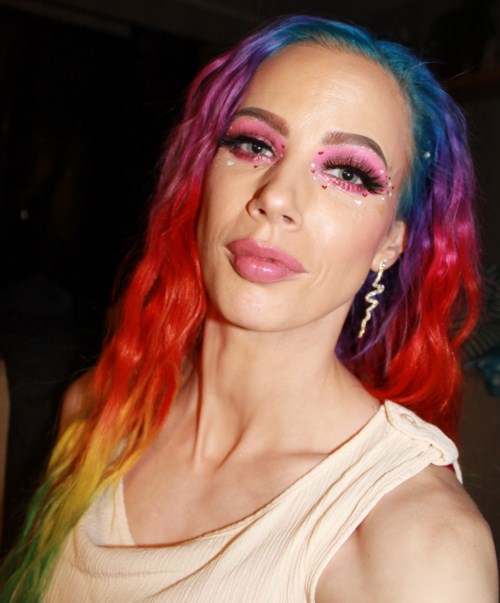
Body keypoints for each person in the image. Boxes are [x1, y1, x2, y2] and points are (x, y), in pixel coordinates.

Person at [1, 15, 498, 602]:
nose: (276, 197)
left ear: (390, 243)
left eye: (347, 173)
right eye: (253, 145)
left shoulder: (415, 544)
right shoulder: (97, 410)